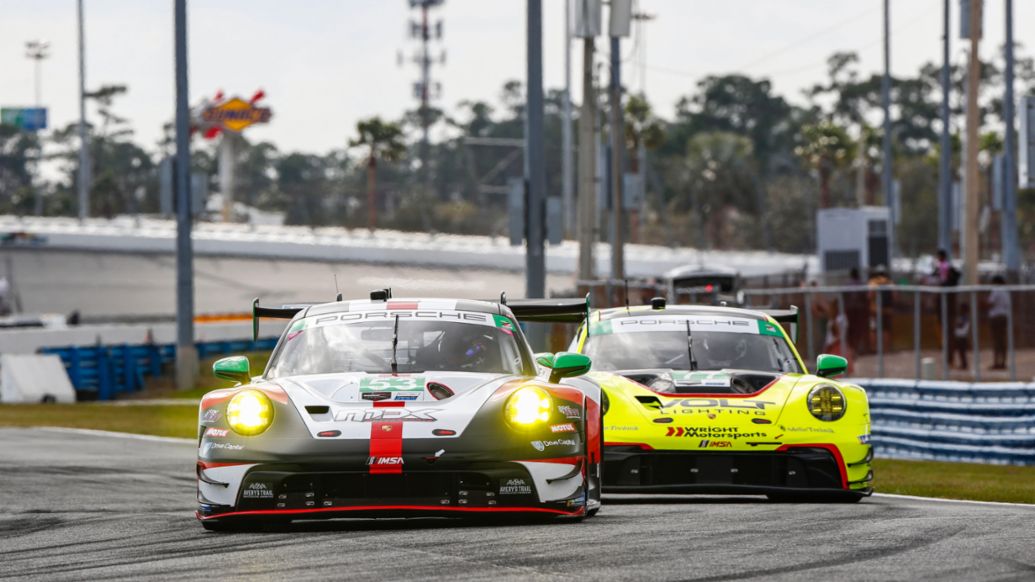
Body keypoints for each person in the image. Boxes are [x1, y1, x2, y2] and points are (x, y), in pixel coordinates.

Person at [867, 266, 894, 352]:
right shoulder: (890, 283)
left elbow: (869, 296)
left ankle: (873, 349)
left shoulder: (872, 283)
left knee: (873, 330)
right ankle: (886, 349)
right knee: (886, 329)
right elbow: (895, 297)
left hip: (874, 311)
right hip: (887, 310)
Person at [987, 275, 1010, 370]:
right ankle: (1003, 362)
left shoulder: (996, 290)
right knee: (1002, 340)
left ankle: (997, 362)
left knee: (997, 341)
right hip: (1004, 316)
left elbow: (991, 302)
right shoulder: (1005, 291)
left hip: (997, 317)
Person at [844, 267, 869, 355]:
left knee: (851, 330)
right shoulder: (861, 284)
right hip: (859, 310)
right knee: (858, 330)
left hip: (851, 310)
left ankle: (852, 349)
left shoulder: (847, 284)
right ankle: (855, 349)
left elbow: (845, 297)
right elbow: (865, 298)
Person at [953, 303, 971, 370]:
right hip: (960, 335)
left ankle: (964, 364)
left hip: (962, 336)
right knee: (960, 352)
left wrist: (957, 323)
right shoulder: (961, 316)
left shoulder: (964, 317)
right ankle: (963, 363)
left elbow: (961, 324)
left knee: (962, 351)